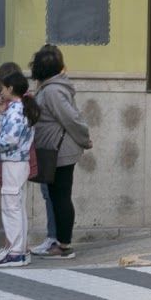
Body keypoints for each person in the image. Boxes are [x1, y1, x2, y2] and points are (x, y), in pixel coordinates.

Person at [27, 44, 92, 259]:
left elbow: (71, 118)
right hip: (54, 150)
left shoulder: (53, 91)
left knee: (61, 197)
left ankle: (64, 246)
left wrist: (84, 139)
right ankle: (57, 241)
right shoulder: (49, 88)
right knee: (56, 197)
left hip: (60, 151)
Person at [0, 64, 40, 269]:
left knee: (11, 207)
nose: (0, 92)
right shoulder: (19, 108)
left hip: (14, 162)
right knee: (16, 206)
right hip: (17, 162)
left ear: (9, 88)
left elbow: (9, 138)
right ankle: (18, 250)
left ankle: (16, 251)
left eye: (2, 88)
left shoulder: (17, 111)